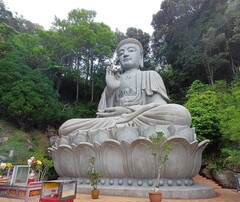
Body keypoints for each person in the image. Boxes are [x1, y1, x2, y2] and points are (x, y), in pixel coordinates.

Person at [59, 38, 191, 136]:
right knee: (66, 127)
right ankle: (121, 130)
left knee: (180, 114)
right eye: (121, 53)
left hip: (140, 119)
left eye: (131, 50)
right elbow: (101, 115)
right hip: (113, 122)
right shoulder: (114, 81)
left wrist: (127, 111)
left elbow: (159, 106)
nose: (125, 54)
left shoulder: (150, 75)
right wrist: (111, 89)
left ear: (140, 57)